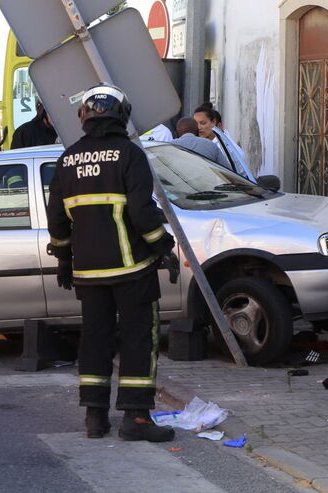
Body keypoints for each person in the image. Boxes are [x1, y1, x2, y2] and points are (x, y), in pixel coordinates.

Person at [46, 83, 178, 442]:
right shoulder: (129, 155)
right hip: (132, 268)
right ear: (123, 114)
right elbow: (141, 211)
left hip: (88, 271)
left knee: (95, 339)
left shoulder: (67, 159)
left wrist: (63, 258)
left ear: (84, 116)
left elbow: (57, 218)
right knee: (139, 338)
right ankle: (135, 418)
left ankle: (95, 417)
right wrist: (164, 247)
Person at [192, 104, 255, 181]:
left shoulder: (225, 147)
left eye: (203, 123)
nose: (199, 128)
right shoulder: (203, 143)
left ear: (214, 122)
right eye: (195, 124)